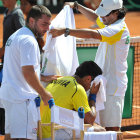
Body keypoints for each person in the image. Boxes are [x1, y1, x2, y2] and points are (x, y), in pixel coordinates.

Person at [49, 0, 130, 132]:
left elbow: (93, 34)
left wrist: (65, 31)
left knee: (112, 129)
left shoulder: (118, 29)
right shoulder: (110, 21)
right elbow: (96, 17)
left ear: (116, 13)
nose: (101, 18)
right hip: (101, 85)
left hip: (113, 89)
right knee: (97, 126)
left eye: (105, 15)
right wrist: (76, 5)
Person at [0, 5, 53, 140]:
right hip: (22, 98)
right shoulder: (29, 41)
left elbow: (19, 67)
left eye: (48, 24)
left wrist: (42, 77)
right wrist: (43, 93)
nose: (47, 28)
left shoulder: (15, 36)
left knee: (10, 136)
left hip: (9, 96)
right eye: (44, 24)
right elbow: (28, 72)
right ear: (31, 21)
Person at [40, 60, 106, 139]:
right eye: (92, 84)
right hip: (52, 134)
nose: (90, 87)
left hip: (39, 131)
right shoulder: (78, 89)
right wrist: (93, 95)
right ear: (88, 79)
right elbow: (90, 120)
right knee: (100, 130)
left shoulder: (60, 79)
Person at [0, 0, 25, 136]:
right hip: (6, 60)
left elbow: (22, 36)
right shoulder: (7, 12)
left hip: (13, 62)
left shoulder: (17, 14)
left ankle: (11, 128)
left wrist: (5, 50)